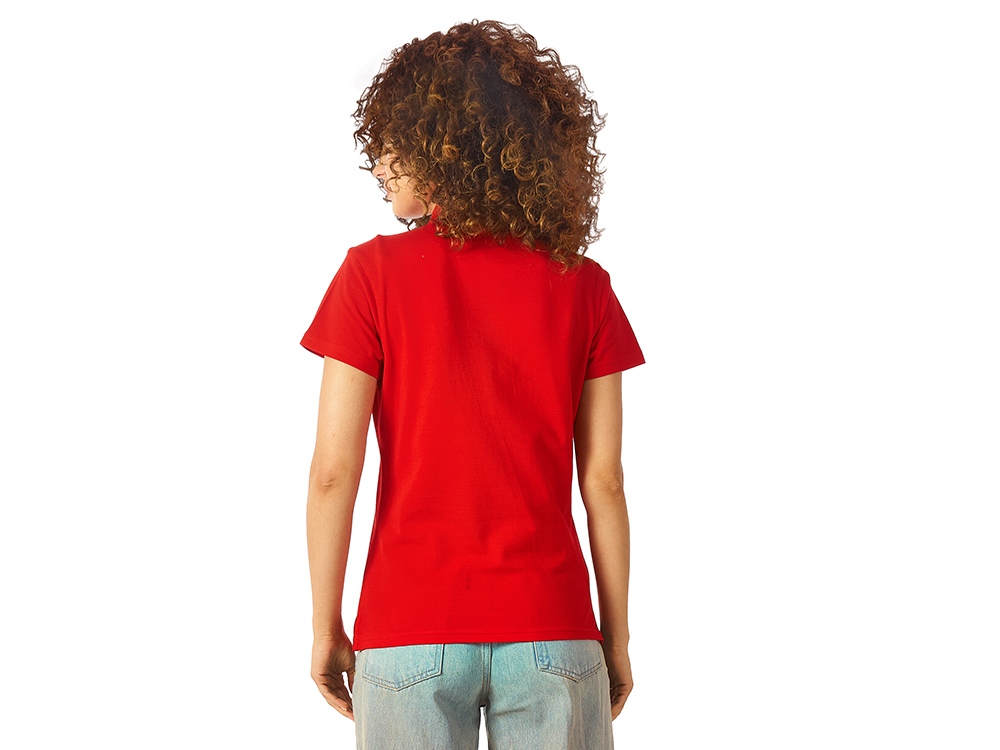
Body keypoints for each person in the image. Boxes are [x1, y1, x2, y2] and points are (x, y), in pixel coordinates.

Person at [302, 20, 644, 749]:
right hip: (553, 628)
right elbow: (605, 482)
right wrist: (614, 638)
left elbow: (334, 473)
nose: (377, 165)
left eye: (391, 144)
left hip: (407, 628)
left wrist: (326, 624)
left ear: (439, 146)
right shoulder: (583, 285)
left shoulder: (370, 276)